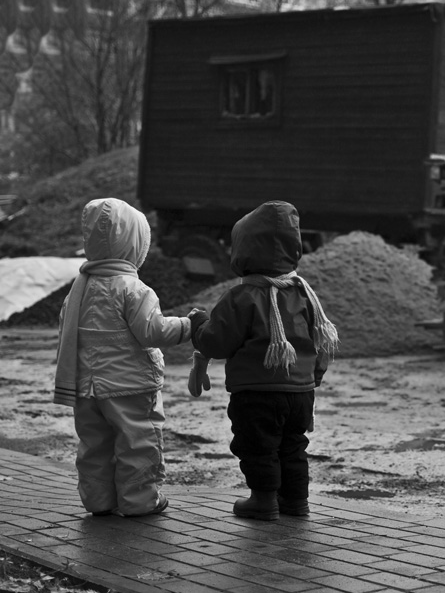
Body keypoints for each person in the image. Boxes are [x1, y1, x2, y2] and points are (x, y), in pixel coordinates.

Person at [188, 200, 337, 521]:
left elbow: (217, 341)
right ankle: (296, 503)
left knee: (258, 446)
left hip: (256, 392)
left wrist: (198, 324)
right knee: (293, 446)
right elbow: (319, 340)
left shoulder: (242, 296)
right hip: (300, 392)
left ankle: (263, 500)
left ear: (242, 251)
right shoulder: (304, 294)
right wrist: (315, 377)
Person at [53, 198, 192, 517]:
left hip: (86, 389)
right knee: (137, 443)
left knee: (94, 446)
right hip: (129, 388)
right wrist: (187, 326)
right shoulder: (133, 288)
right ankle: (140, 502)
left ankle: (99, 501)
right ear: (135, 245)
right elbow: (153, 332)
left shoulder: (78, 291)